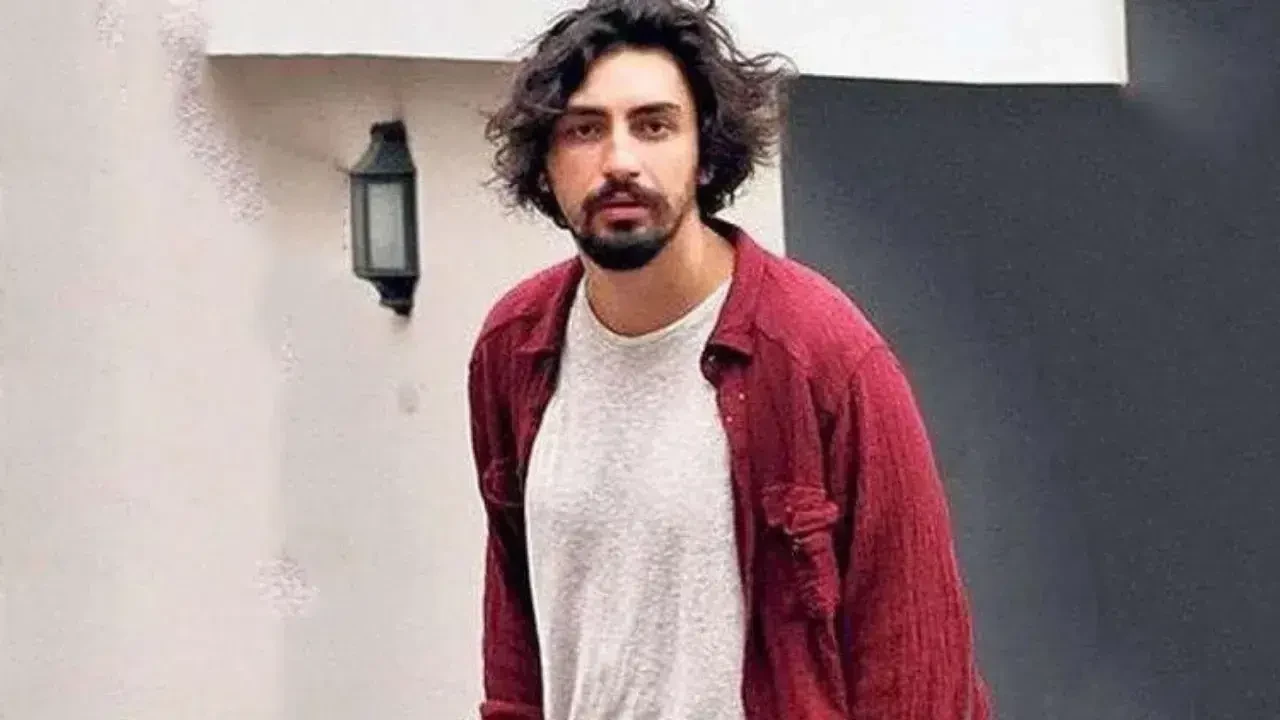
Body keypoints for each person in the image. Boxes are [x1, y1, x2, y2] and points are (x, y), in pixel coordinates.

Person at [468, 1, 990, 718]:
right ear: (547, 163)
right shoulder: (515, 348)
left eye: (654, 125)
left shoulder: (819, 354)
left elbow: (916, 656)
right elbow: (514, 626)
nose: (619, 162)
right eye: (584, 129)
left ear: (706, 151)